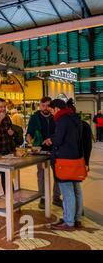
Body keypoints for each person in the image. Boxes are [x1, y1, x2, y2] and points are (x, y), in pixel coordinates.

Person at [49, 99, 88, 231]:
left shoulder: (62, 119)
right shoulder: (75, 118)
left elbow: (59, 140)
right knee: (76, 190)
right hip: (75, 159)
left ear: (56, 109)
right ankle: (76, 219)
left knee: (67, 192)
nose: (52, 114)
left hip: (64, 160)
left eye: (52, 110)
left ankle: (69, 222)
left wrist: (51, 140)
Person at [26, 96, 62, 209]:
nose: (45, 108)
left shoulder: (56, 116)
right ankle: (43, 197)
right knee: (41, 174)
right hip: (40, 150)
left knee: (58, 174)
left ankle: (56, 197)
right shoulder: (34, 117)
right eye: (43, 105)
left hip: (55, 149)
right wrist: (29, 139)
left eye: (47, 105)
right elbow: (29, 132)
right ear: (40, 105)